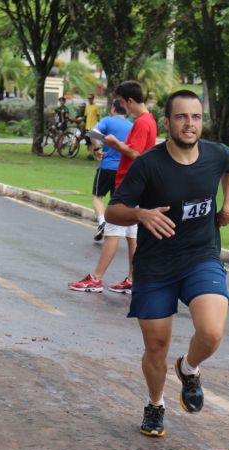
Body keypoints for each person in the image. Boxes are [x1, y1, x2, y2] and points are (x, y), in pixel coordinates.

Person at [105, 89, 229, 438]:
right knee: (156, 347)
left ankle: (189, 369)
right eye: (181, 117)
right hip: (155, 267)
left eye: (195, 117)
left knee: (211, 332)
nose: (189, 124)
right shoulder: (149, 164)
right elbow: (112, 210)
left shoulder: (215, 154)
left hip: (201, 257)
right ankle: (155, 404)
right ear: (167, 122)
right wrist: (141, 214)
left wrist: (228, 205)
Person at [68, 80, 157, 294]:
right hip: (137, 184)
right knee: (131, 234)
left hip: (129, 184)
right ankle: (133, 278)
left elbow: (136, 153)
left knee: (112, 230)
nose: (121, 107)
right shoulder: (149, 120)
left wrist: (115, 144)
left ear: (129, 101)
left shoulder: (142, 122)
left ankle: (96, 278)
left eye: (121, 102)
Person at [89, 100, 132, 241]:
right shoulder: (131, 126)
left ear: (113, 108)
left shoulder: (108, 120)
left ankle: (102, 222)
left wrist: (97, 148)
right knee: (115, 201)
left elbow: (92, 133)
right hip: (123, 170)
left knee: (98, 197)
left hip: (106, 166)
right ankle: (113, 231)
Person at [84, 93, 102, 159]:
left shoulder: (96, 106)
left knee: (93, 141)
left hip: (93, 126)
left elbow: (98, 116)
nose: (89, 99)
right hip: (87, 126)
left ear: (93, 99)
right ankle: (91, 154)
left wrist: (98, 125)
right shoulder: (87, 106)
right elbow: (86, 116)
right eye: (88, 98)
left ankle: (92, 154)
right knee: (88, 141)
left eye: (91, 98)